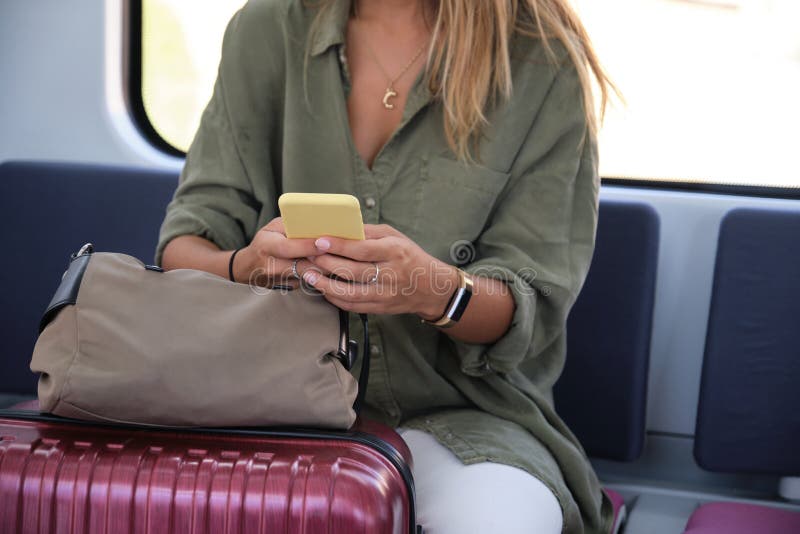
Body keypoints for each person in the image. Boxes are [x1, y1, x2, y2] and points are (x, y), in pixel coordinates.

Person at [156, 0, 617, 532]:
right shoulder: (265, 30)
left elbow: (528, 311)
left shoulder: (541, 59)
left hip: (468, 419)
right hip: (272, 409)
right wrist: (247, 266)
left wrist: (434, 292)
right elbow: (182, 248)